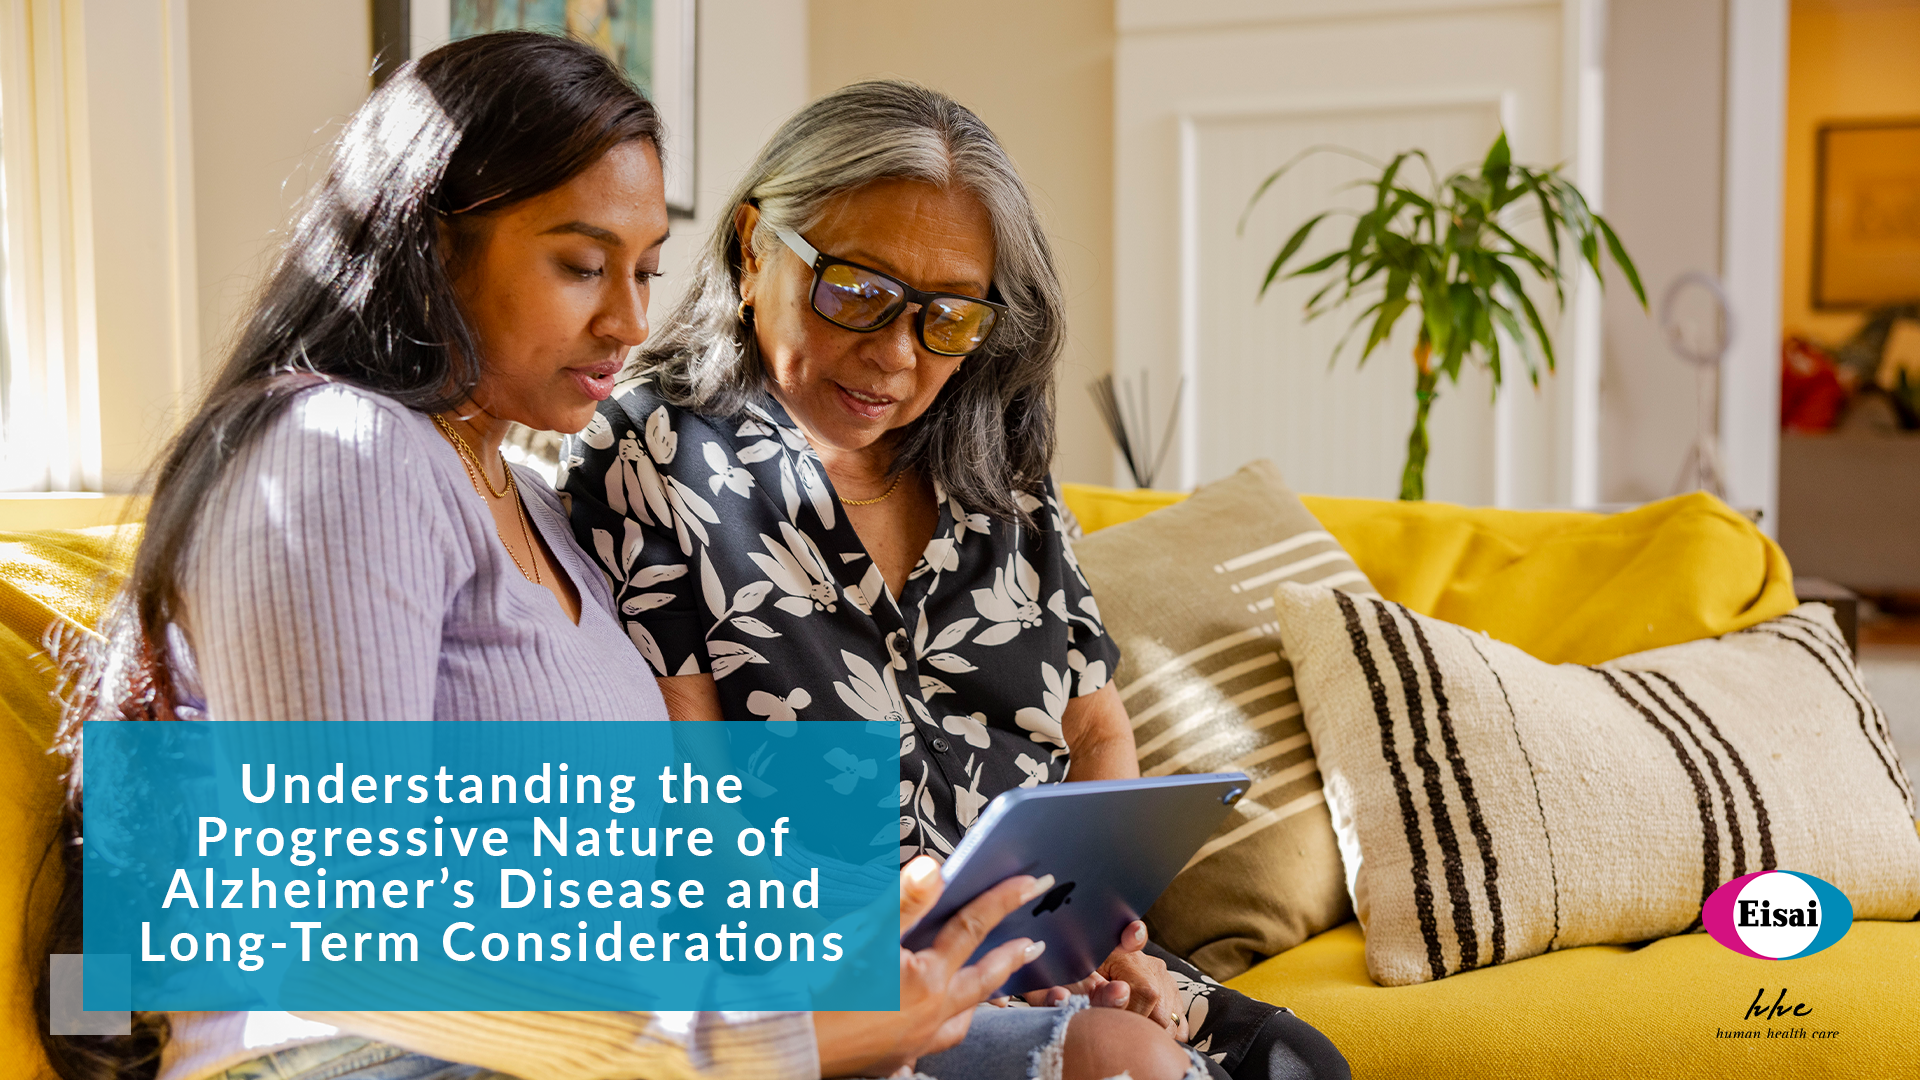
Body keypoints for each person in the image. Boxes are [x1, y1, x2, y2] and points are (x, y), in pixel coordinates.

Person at [39, 34, 1176, 1080]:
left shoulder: (535, 501)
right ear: (431, 244)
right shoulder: (344, 451)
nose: (633, 322)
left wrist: (865, 948)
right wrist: (777, 1029)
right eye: (584, 266)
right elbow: (341, 937)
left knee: (1118, 1054)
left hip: (628, 1034)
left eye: (644, 269)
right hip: (375, 1055)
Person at [564, 80, 1350, 1080]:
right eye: (857, 290)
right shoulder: (651, 454)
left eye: (946, 319)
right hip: (841, 983)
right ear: (758, 245)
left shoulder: (999, 476)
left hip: (1039, 955)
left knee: (1299, 1063)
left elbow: (1095, 726)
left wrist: (1098, 937)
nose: (894, 354)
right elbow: (691, 791)